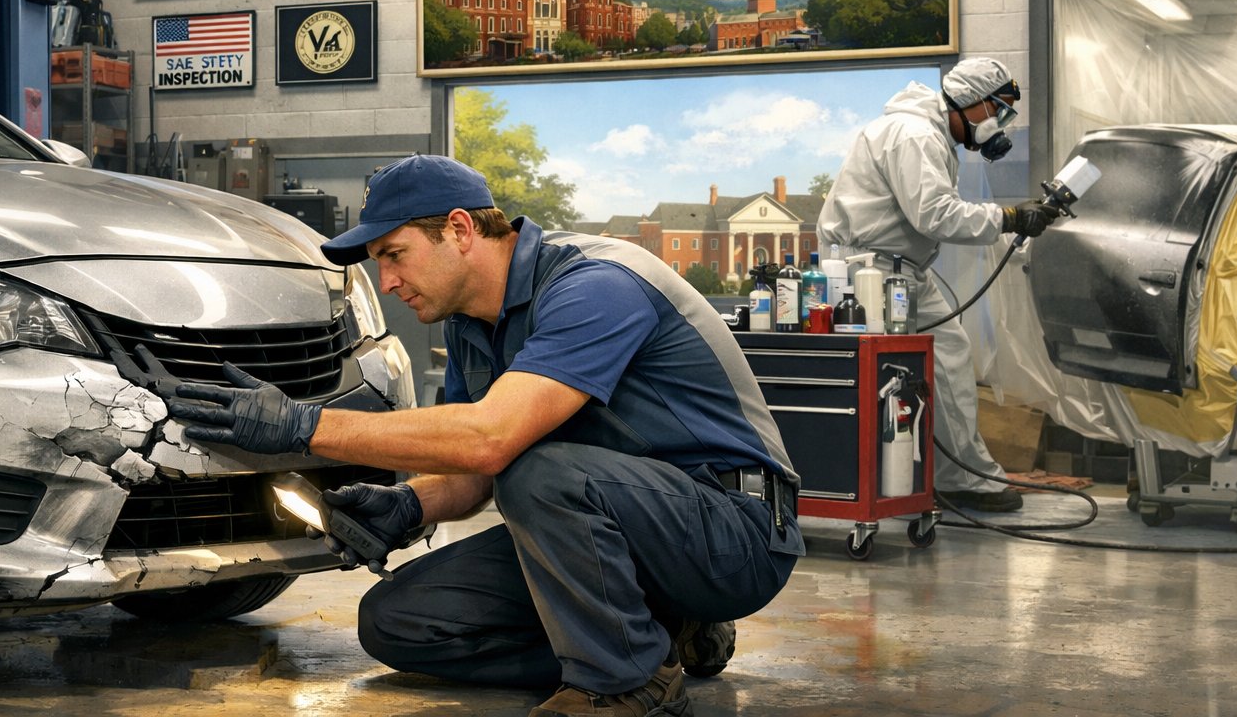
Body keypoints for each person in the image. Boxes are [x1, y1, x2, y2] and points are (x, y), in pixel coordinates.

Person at [126, 154, 802, 717]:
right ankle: (657, 637)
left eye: (394, 255)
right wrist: (408, 506)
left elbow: (492, 440)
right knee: (399, 620)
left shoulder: (597, 284)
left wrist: (301, 426)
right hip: (625, 536)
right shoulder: (472, 325)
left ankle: (627, 685)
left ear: (459, 230)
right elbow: (472, 469)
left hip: (732, 535)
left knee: (540, 473)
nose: (387, 284)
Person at [817, 57, 1061, 513]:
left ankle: (956, 477)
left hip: (896, 270)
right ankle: (951, 479)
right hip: (871, 272)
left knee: (947, 356)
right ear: (969, 102)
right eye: (997, 111)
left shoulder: (924, 132)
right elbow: (935, 213)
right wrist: (1008, 218)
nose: (999, 123)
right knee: (923, 363)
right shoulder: (914, 135)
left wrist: (1005, 219)